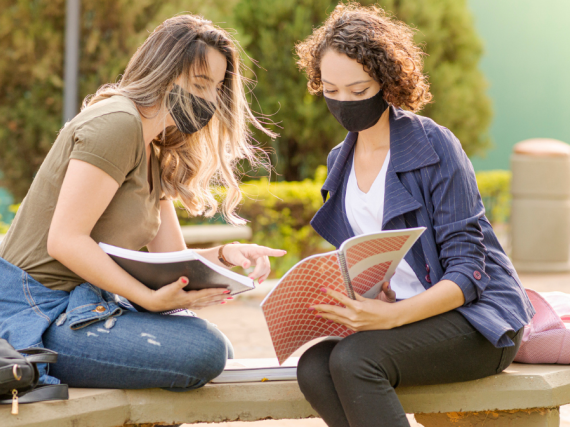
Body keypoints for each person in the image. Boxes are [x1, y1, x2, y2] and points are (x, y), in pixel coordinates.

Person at [0, 14, 285, 390]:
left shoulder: (156, 149)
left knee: (217, 351)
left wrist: (226, 257)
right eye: (200, 84)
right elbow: (65, 240)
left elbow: (169, 260)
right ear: (163, 72)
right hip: (35, 310)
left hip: (82, 303)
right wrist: (148, 300)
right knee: (204, 352)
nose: (210, 99)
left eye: (217, 87)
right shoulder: (117, 123)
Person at [294, 4, 535, 426]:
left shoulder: (434, 145)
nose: (344, 102)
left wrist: (393, 316)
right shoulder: (340, 160)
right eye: (330, 90)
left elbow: (468, 271)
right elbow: (370, 256)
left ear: (387, 82)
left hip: (478, 321)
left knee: (354, 361)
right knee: (313, 366)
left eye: (358, 89)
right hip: (407, 317)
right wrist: (370, 297)